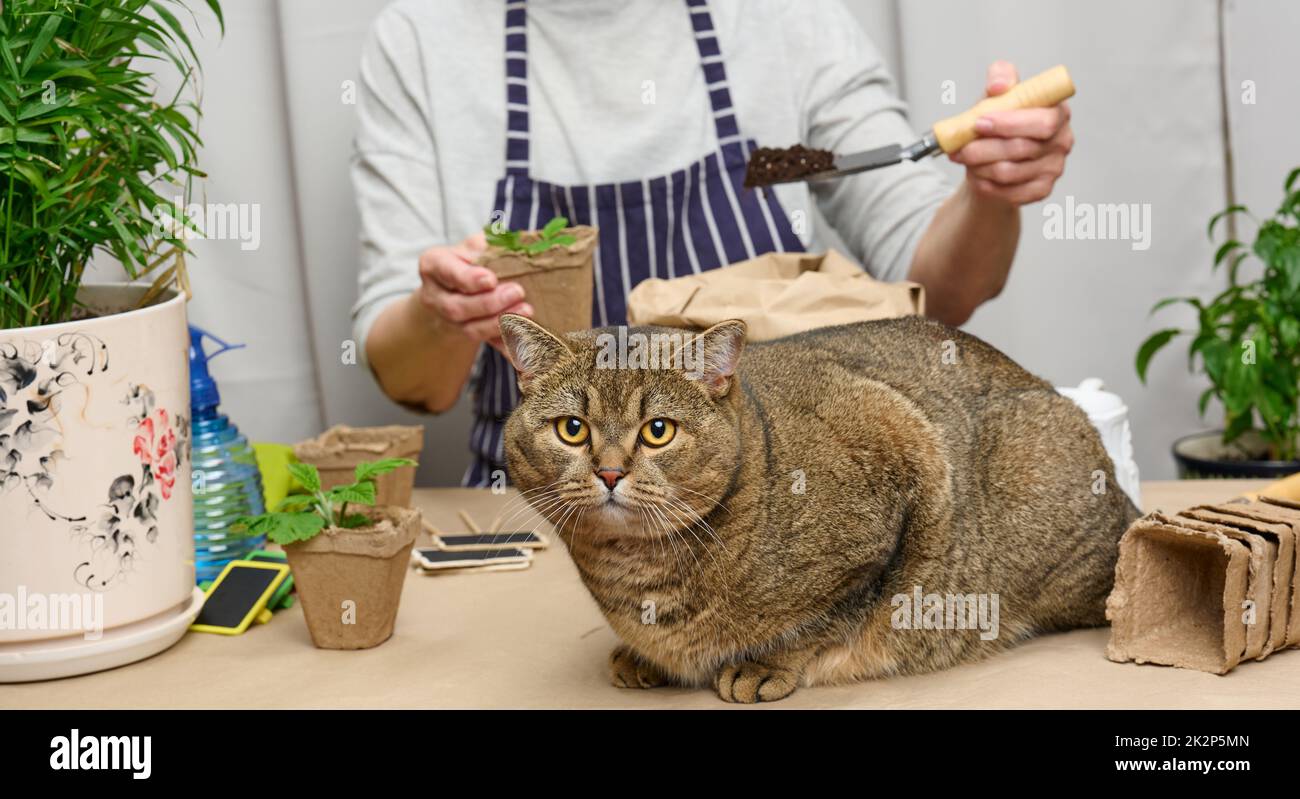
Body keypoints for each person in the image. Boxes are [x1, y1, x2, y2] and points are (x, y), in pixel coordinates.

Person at [351, 0, 1074, 486]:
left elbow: (941, 288)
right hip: (543, 517)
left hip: (786, 511)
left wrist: (988, 192)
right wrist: (441, 313)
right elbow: (418, 383)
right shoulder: (422, 35)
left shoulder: (782, 16)